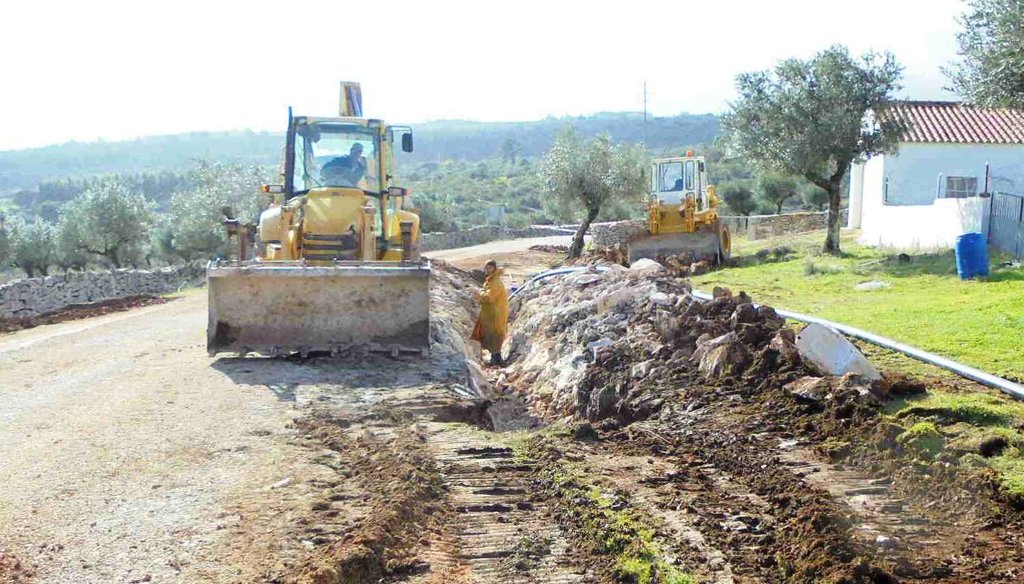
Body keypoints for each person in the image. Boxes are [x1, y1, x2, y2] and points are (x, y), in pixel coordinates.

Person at [471, 260, 509, 366]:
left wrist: (478, 293)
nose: (487, 270)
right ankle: (496, 358)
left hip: (495, 314)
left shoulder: (495, 282)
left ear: (494, 268)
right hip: (492, 313)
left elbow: (488, 297)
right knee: (493, 335)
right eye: (486, 268)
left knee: (494, 335)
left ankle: (496, 359)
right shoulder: (491, 280)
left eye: (489, 268)